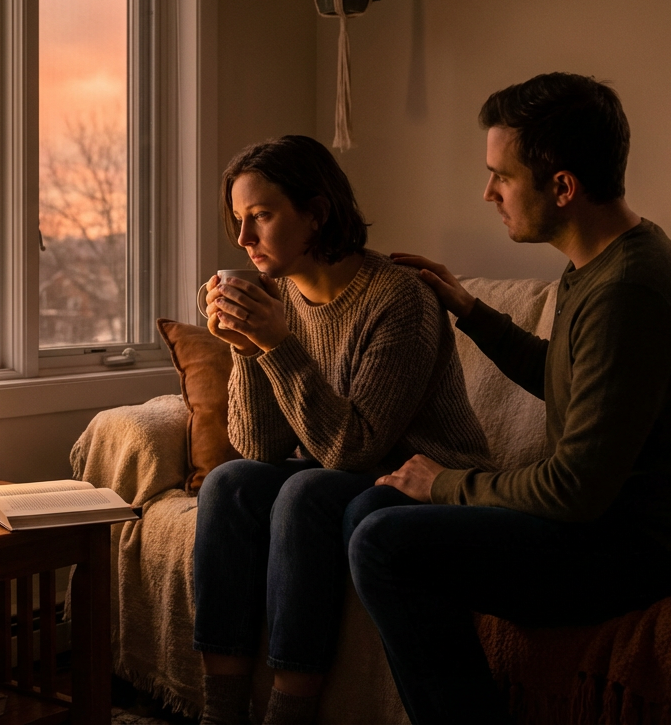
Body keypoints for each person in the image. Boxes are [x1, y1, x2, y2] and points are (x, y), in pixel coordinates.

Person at [345, 73, 671, 724]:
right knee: (371, 508)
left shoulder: (630, 290)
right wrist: (470, 309)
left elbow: (573, 490)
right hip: (613, 519)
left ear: (562, 187)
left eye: (501, 178)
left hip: (666, 544)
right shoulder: (598, 263)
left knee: (385, 543)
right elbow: (571, 380)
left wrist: (446, 483)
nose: (487, 194)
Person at [193, 135, 490, 725]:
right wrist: (247, 350)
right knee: (229, 483)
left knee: (306, 492)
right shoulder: (281, 299)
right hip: (348, 470)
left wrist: (276, 344)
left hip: (423, 477)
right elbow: (260, 448)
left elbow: (355, 448)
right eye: (238, 221)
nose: (244, 240)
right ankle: (219, 711)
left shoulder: (398, 299)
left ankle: (290, 712)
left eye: (261, 217)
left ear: (317, 213)